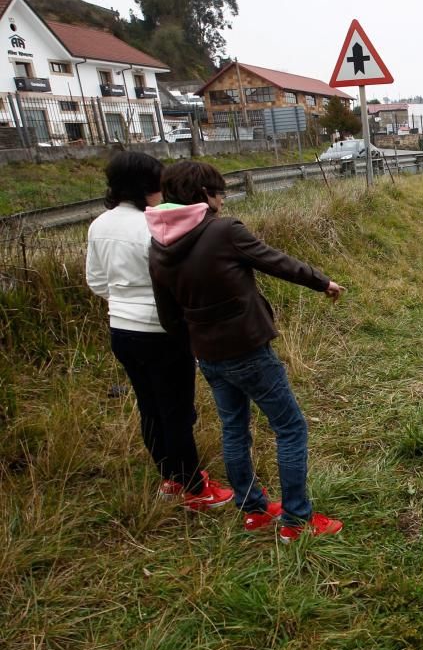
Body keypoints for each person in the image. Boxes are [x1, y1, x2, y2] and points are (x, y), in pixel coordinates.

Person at [145, 161, 346, 542]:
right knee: (290, 427)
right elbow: (276, 261)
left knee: (234, 429)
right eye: (219, 192)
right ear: (203, 195)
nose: (222, 199)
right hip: (248, 351)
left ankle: (253, 511)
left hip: (208, 356)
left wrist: (198, 343)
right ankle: (296, 521)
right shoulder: (223, 231)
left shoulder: (158, 244)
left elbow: (168, 316)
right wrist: (323, 282)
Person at [86, 152, 234, 510]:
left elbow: (96, 281)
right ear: (147, 186)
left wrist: (123, 299)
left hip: (121, 329)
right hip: (160, 331)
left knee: (149, 406)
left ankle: (170, 478)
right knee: (178, 410)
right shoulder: (152, 226)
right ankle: (195, 487)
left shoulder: (99, 225)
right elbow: (175, 282)